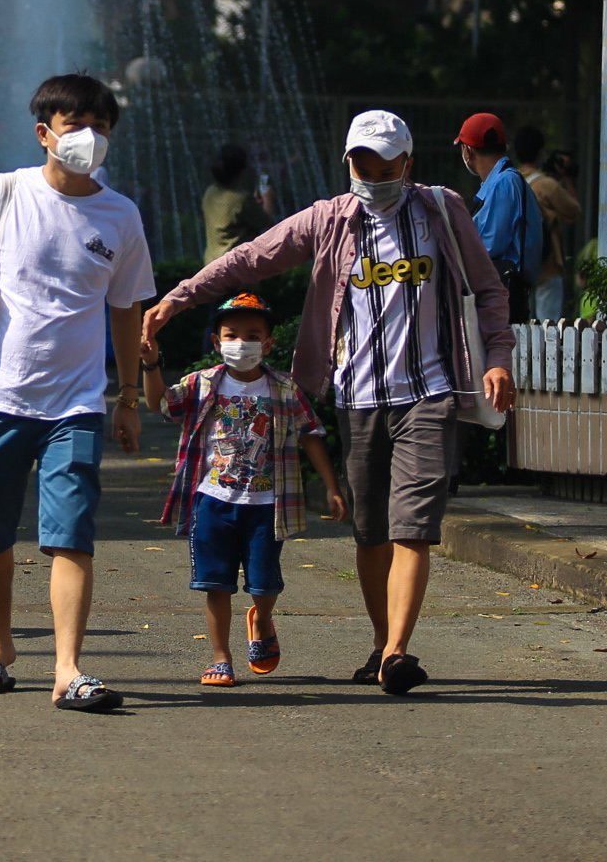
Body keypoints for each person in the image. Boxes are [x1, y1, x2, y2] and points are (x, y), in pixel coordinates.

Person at [141, 109, 513, 696]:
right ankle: (379, 642)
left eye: (388, 165)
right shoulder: (328, 220)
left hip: (430, 392)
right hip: (358, 397)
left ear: (408, 163)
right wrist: (179, 299)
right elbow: (251, 258)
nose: (376, 174)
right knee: (370, 531)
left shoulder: (441, 210)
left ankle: (396, 652)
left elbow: (488, 290)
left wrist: (497, 358)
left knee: (413, 526)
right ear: (348, 162)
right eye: (365, 163)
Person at [0, 73, 155, 713]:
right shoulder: (3, 194)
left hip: (77, 407)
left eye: (101, 129)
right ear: (44, 133)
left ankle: (68, 669)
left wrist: (127, 396)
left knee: (71, 536)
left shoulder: (121, 215)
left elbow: (126, 311)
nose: (89, 140)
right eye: (76, 127)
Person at [142, 291, 345, 687]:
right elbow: (160, 404)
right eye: (231, 335)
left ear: (268, 343)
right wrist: (150, 363)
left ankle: (262, 617)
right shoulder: (201, 384)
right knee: (214, 583)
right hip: (212, 500)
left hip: (267, 505)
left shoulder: (284, 389)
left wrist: (333, 487)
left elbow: (312, 435)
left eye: (252, 335)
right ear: (217, 342)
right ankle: (220, 657)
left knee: (264, 582)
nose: (241, 343)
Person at [456, 112, 543, 324]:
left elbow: (488, 244)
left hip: (500, 297)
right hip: (502, 293)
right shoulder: (501, 182)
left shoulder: (505, 183)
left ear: (467, 150)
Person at [515, 129, 582, 320]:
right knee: (548, 328)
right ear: (540, 153)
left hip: (517, 265)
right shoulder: (547, 185)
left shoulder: (510, 182)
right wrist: (567, 179)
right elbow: (574, 210)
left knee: (520, 327)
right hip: (547, 264)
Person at [200, 143, 272, 265]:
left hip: (211, 264)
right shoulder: (242, 199)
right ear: (242, 170)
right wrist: (268, 198)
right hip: (235, 266)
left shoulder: (210, 193)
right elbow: (266, 222)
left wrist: (252, 204)